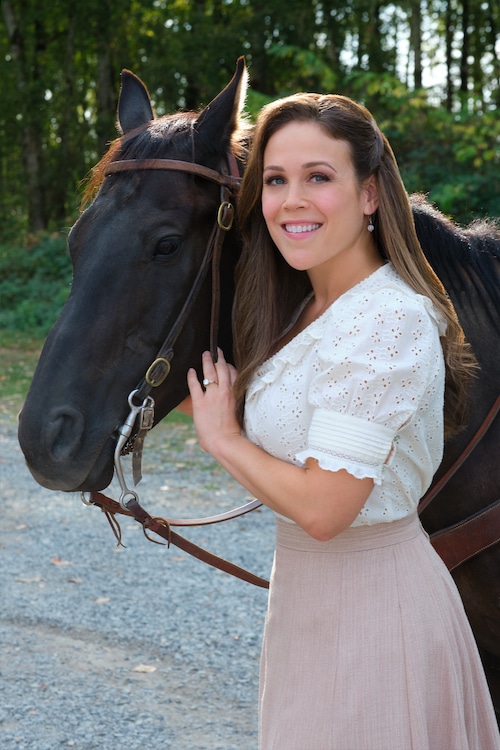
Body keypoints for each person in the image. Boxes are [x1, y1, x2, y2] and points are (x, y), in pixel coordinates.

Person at [180, 92, 500, 749]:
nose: (292, 200)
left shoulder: (386, 316)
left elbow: (327, 509)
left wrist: (223, 439)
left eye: (318, 177)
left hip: (378, 618)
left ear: (371, 194)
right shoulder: (306, 313)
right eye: (275, 180)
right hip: (307, 611)